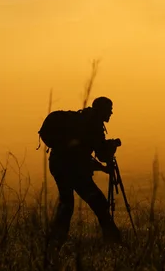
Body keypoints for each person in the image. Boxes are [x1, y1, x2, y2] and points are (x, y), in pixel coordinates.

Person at [49, 96, 121, 245]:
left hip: (59, 165)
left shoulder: (83, 120)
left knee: (67, 204)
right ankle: (114, 240)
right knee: (99, 203)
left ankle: (55, 241)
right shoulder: (93, 125)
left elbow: (80, 154)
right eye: (109, 110)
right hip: (72, 169)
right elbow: (100, 154)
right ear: (102, 110)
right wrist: (111, 147)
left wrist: (102, 167)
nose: (111, 113)